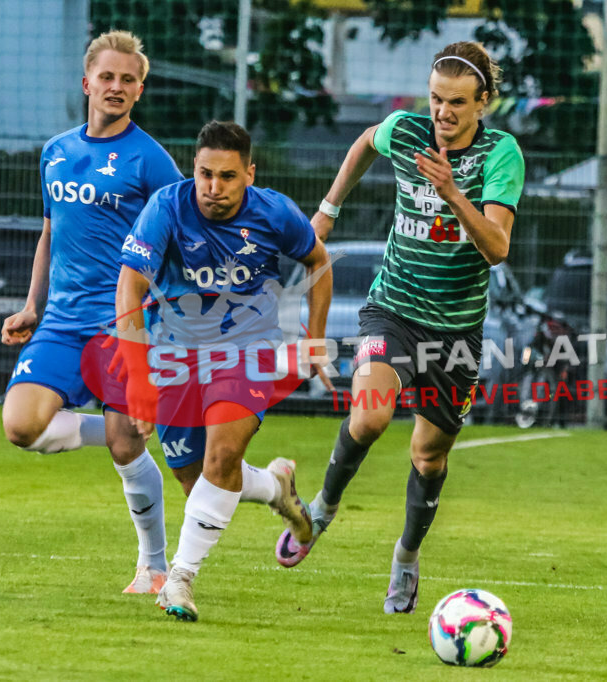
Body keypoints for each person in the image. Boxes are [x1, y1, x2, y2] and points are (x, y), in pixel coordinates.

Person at [274, 41, 525, 614]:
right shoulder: (407, 130)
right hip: (393, 308)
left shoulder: (501, 154)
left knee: (429, 456)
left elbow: (497, 248)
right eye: (436, 98)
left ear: (483, 102)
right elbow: (366, 141)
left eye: (457, 102)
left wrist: (451, 192)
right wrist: (328, 210)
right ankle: (321, 510)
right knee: (370, 415)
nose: (442, 112)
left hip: (457, 331)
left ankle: (406, 557)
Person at [115, 120, 333, 622]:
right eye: (205, 174)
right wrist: (139, 380)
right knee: (199, 481)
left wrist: (316, 339)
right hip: (175, 354)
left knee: (223, 454)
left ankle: (180, 579)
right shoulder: (166, 208)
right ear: (194, 169)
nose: (214, 187)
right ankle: (275, 487)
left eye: (228, 176)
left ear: (249, 174)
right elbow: (129, 287)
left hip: (247, 350)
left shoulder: (275, 212)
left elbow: (318, 262)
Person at [0, 31, 184, 594]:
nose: (116, 87)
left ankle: (154, 566)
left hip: (123, 323)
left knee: (128, 448)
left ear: (140, 90)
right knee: (21, 426)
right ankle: (121, 427)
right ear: (87, 82)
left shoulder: (151, 160)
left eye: (129, 79)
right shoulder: (55, 151)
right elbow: (50, 232)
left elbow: (182, 236)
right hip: (60, 322)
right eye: (107, 76)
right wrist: (33, 305)